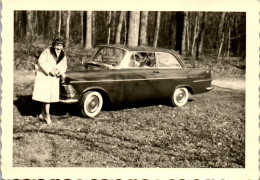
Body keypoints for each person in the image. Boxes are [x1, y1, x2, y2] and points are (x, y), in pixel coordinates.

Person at [32, 37, 67, 124]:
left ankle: (42, 114)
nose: (58, 48)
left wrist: (59, 71)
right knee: (47, 98)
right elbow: (41, 61)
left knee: (47, 98)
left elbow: (64, 66)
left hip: (54, 77)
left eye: (60, 46)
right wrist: (49, 70)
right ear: (54, 45)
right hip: (45, 77)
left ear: (63, 46)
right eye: (57, 45)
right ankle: (47, 116)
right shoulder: (47, 51)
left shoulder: (63, 55)